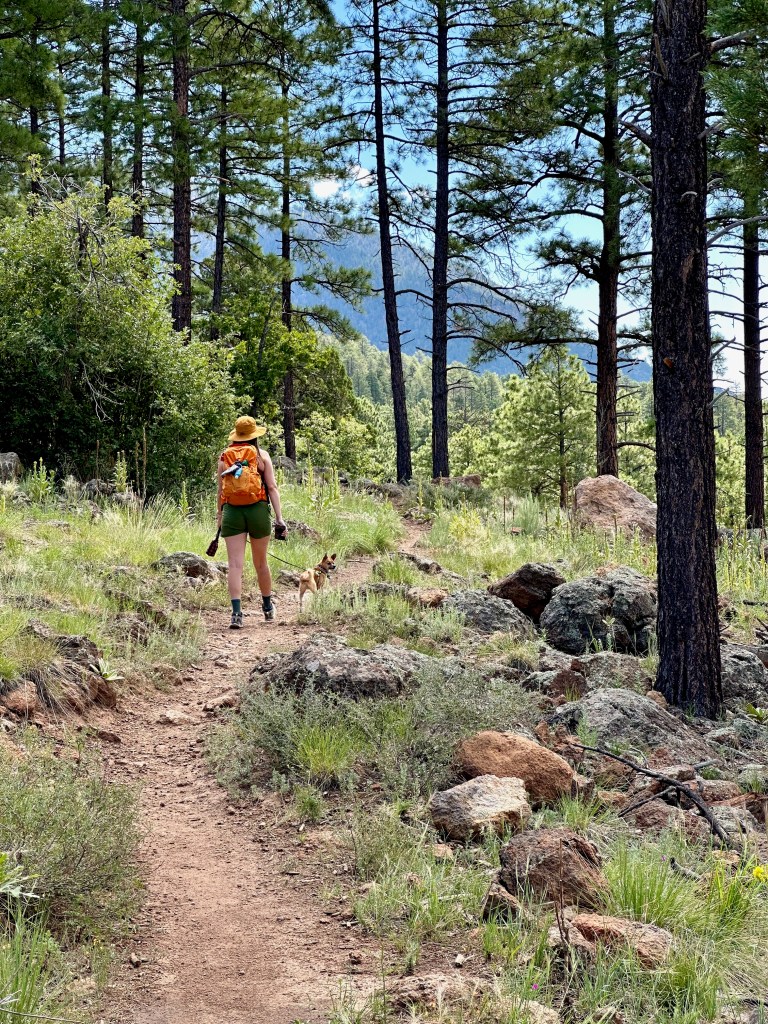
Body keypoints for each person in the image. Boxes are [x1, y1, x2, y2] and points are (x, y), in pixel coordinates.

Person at [216, 416, 288, 628]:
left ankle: (237, 614)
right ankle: (267, 607)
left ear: (236, 435)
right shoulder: (261, 456)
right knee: (261, 563)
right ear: (254, 435)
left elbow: (220, 491)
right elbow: (272, 488)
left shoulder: (224, 458)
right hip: (258, 511)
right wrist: (279, 518)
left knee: (235, 565)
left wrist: (219, 517)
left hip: (232, 513)